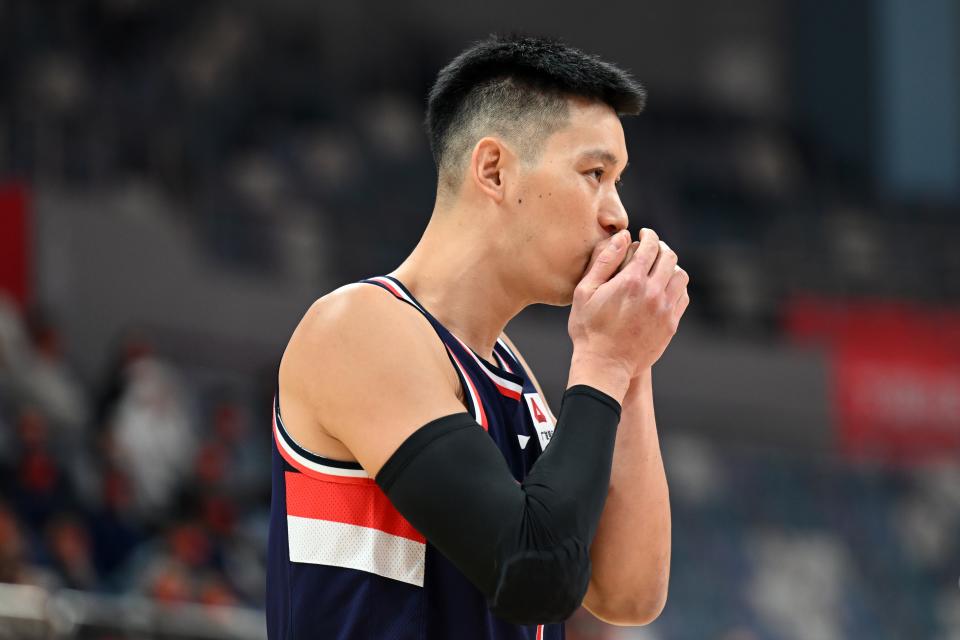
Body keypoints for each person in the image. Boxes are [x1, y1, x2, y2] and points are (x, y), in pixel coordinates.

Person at [267, 34, 688, 640]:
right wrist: (606, 359)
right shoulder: (358, 328)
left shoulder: (512, 373)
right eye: (595, 173)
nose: (618, 214)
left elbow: (630, 594)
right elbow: (535, 577)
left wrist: (632, 359)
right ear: (493, 170)